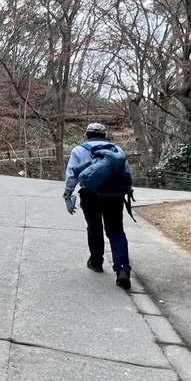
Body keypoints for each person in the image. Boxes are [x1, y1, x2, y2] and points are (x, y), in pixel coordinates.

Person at [63, 122, 135, 289]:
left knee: (94, 228)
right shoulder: (116, 150)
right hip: (114, 195)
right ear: (105, 135)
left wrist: (68, 194)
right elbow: (127, 172)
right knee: (116, 231)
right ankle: (123, 270)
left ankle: (96, 262)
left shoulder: (79, 150)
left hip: (90, 195)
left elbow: (72, 175)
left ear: (86, 134)